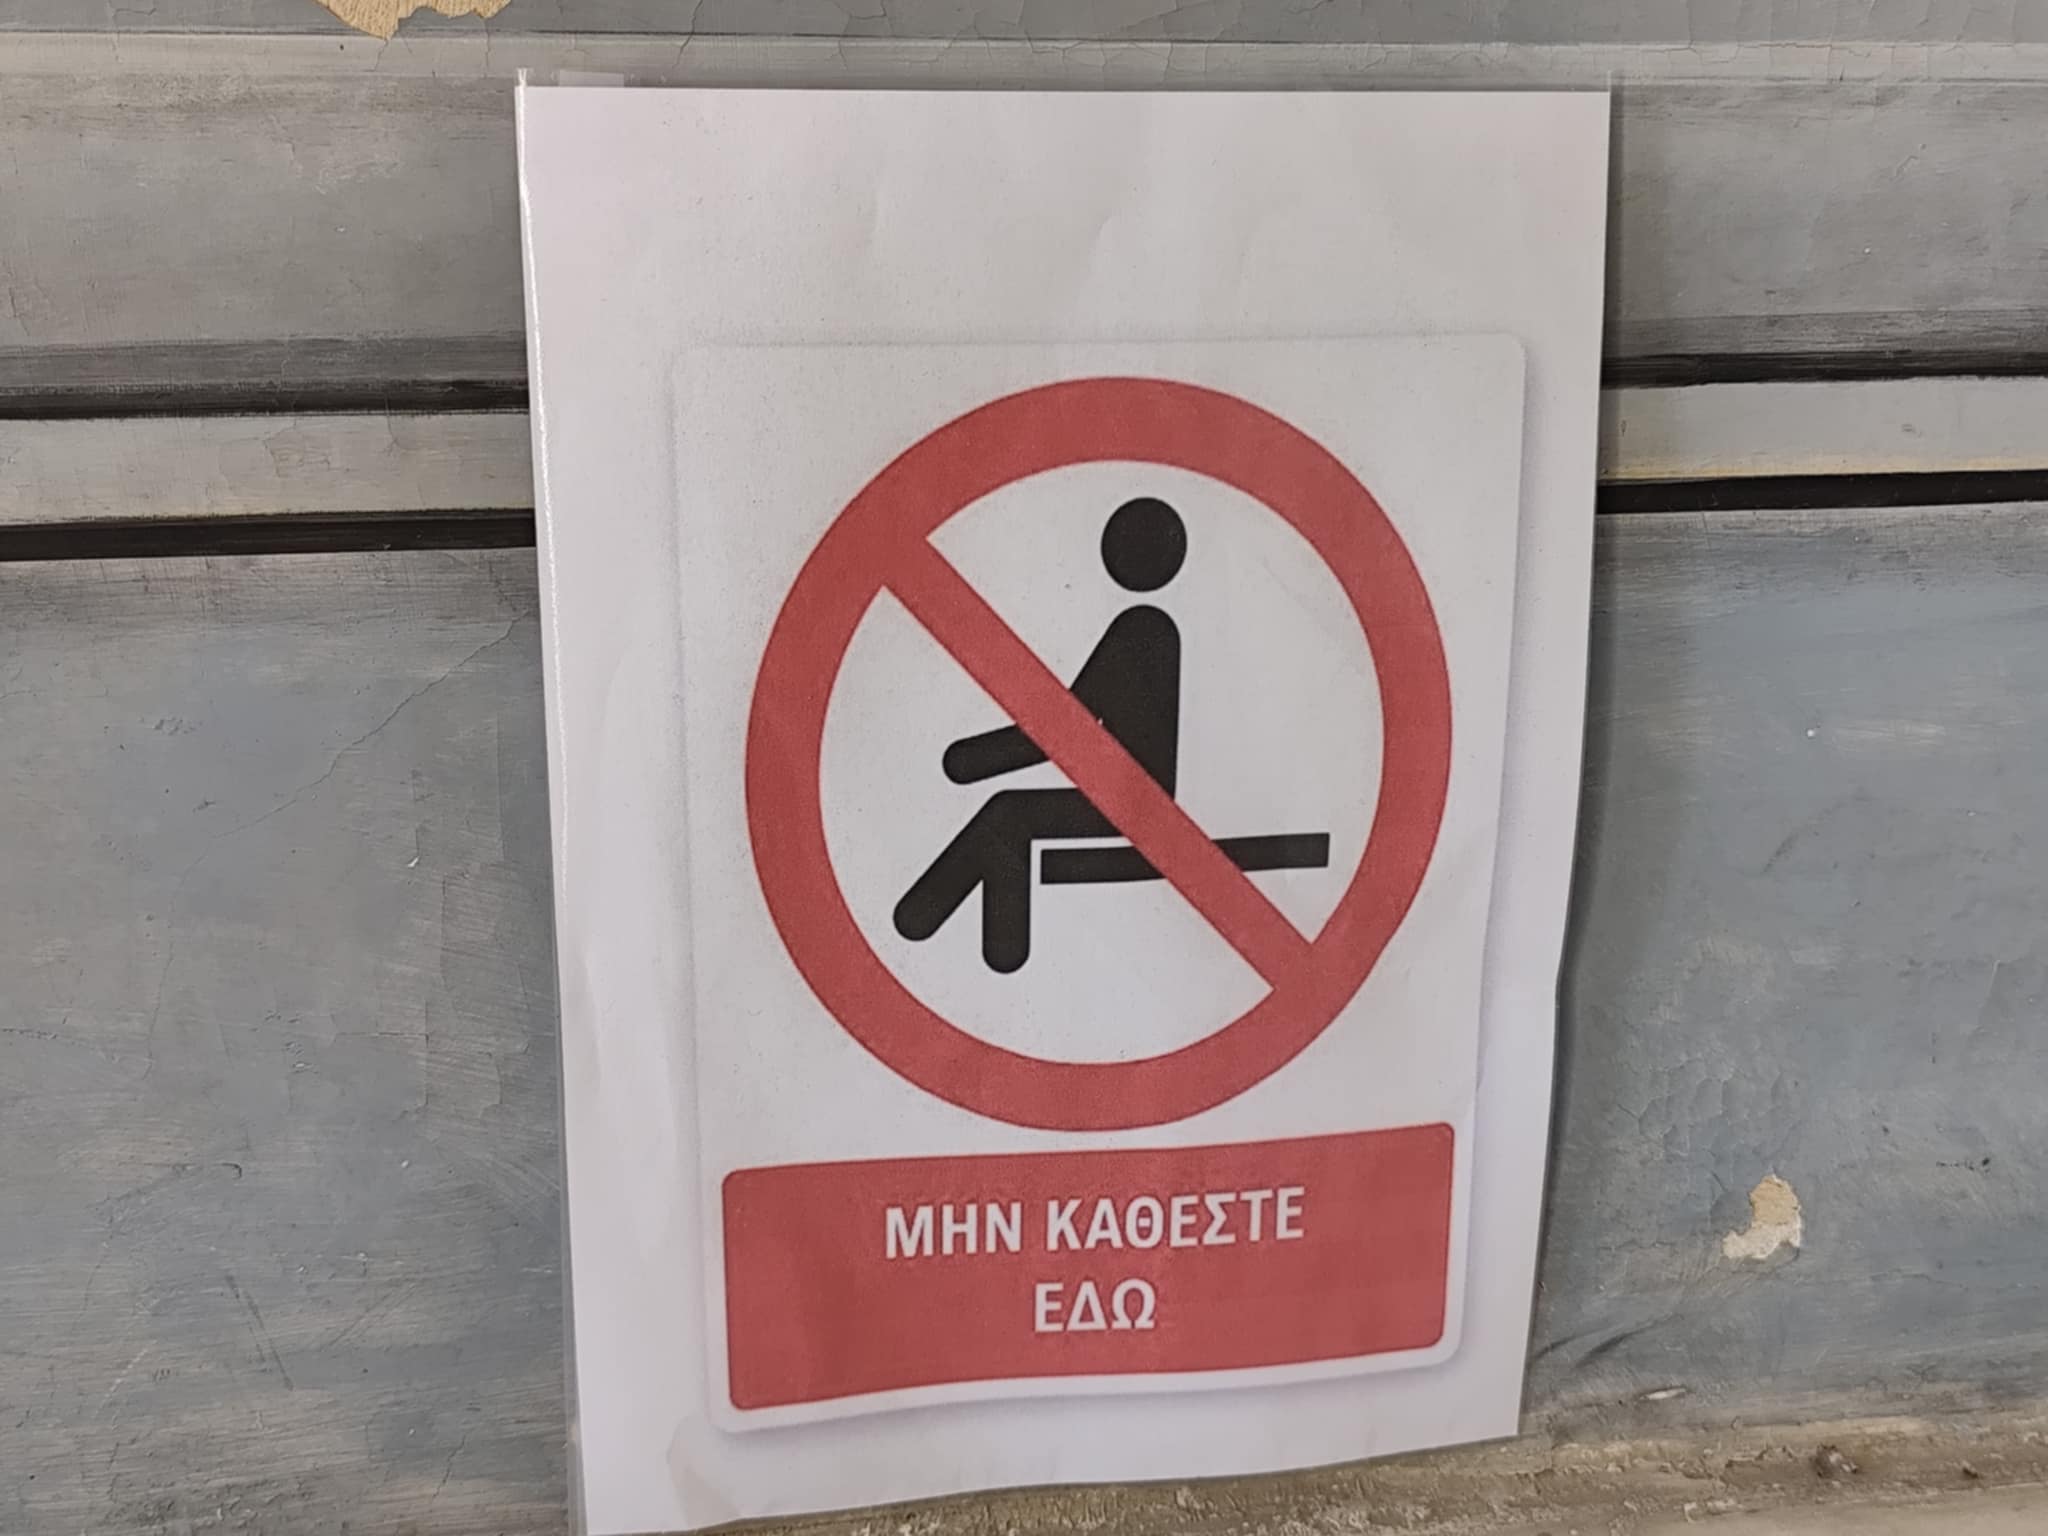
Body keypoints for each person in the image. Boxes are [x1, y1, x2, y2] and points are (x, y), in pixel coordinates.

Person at [893, 496, 1187, 972]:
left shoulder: (1140, 630)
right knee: (1007, 813)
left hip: (1136, 802)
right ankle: (933, 929)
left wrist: (975, 759)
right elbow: (1072, 727)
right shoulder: (1148, 627)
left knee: (1007, 815)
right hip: (1126, 794)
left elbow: (1071, 725)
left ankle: (979, 945)